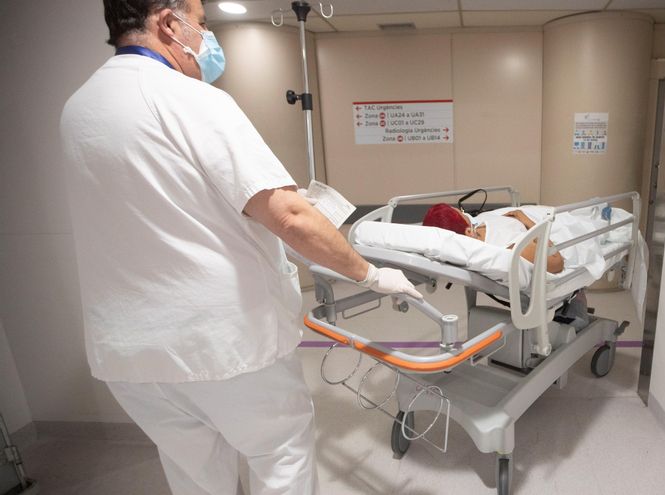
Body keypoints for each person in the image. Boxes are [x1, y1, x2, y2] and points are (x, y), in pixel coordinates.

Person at [59, 1, 421, 494]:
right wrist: (371, 274)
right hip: (223, 345)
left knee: (194, 472)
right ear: (169, 24)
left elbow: (162, 203)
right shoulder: (190, 98)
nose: (207, 39)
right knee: (279, 455)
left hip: (131, 356)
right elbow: (290, 217)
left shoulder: (80, 108)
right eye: (202, 24)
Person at [422, 203, 565, 273]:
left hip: (538, 212)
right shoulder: (505, 250)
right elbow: (556, 262)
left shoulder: (478, 225)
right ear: (468, 232)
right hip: (555, 222)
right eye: (462, 212)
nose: (465, 213)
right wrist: (528, 222)